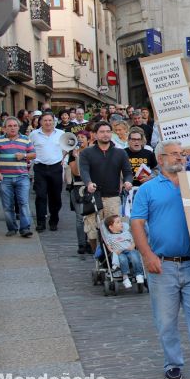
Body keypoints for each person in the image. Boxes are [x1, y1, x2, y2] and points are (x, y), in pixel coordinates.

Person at [130, 139, 190, 379]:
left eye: (182, 154)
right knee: (166, 320)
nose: (180, 158)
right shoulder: (148, 189)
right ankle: (173, 363)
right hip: (163, 265)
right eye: (174, 154)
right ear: (161, 159)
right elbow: (137, 224)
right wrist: (147, 255)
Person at [79, 121, 133, 253]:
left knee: (114, 230)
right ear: (95, 135)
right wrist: (88, 183)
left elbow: (127, 172)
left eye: (108, 131)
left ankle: (113, 257)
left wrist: (127, 181)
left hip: (113, 196)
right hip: (93, 196)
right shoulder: (87, 153)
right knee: (91, 230)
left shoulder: (120, 153)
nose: (105, 134)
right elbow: (84, 171)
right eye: (102, 132)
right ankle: (96, 255)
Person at [0, 116, 36, 237]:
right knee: (7, 205)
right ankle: (12, 228)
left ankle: (25, 228)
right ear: (4, 128)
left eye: (15, 126)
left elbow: (33, 154)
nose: (12, 128)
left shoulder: (25, 139)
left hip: (22, 177)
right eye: (9, 126)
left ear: (19, 127)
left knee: (24, 203)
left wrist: (24, 155)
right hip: (5, 178)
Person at [29, 112, 65, 232]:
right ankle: (40, 222)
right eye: (45, 120)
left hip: (56, 168)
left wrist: (63, 159)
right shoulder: (34, 134)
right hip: (40, 168)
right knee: (40, 195)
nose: (48, 123)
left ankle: (54, 219)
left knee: (55, 196)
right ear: (40, 122)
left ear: (54, 121)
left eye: (50, 120)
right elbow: (29, 149)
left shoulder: (61, 133)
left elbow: (68, 147)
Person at [104, 214, 144, 289]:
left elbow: (133, 242)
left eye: (121, 222)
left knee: (135, 256)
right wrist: (113, 252)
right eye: (118, 222)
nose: (121, 224)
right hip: (119, 253)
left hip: (129, 250)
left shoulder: (126, 233)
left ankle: (139, 274)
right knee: (122, 259)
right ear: (111, 227)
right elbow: (108, 246)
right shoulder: (109, 236)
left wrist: (132, 246)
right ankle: (125, 277)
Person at [68, 130, 92, 254]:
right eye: (78, 137)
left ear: (88, 139)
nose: (80, 139)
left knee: (92, 216)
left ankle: (90, 242)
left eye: (83, 136)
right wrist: (77, 157)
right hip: (78, 187)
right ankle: (81, 244)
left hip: (91, 187)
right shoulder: (72, 154)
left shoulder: (93, 152)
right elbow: (77, 173)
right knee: (80, 217)